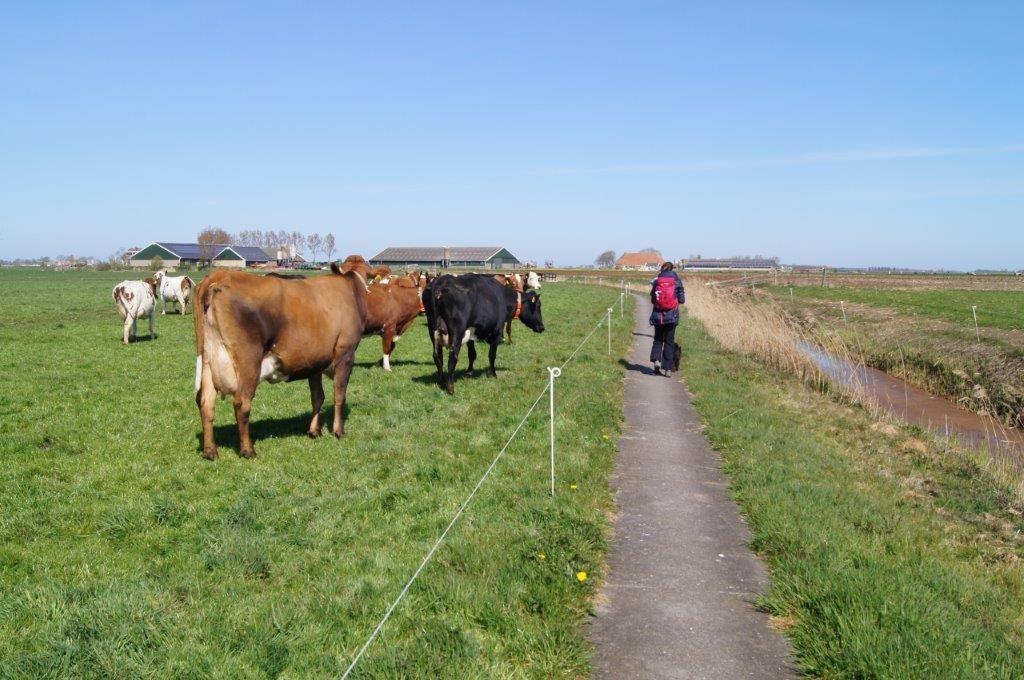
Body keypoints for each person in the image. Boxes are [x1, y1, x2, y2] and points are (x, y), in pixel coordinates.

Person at [649, 261, 684, 377]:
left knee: (658, 339)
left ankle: (656, 361)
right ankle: (668, 369)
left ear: (662, 269)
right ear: (672, 269)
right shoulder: (677, 281)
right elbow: (682, 300)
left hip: (658, 316)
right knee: (669, 341)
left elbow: (653, 300)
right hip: (672, 316)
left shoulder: (656, 281)